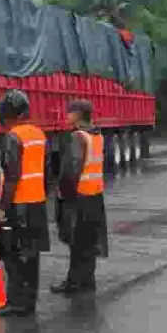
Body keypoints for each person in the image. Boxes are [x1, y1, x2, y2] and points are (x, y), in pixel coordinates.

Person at [0, 90, 51, 317]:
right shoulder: (39, 134)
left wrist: (2, 209)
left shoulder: (12, 137)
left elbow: (12, 177)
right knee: (32, 255)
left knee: (13, 255)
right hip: (36, 203)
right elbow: (46, 172)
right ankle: (29, 300)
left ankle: (16, 302)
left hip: (18, 205)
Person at [52, 99, 108, 295]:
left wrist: (62, 195)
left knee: (76, 243)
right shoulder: (98, 135)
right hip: (95, 196)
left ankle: (73, 283)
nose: (66, 115)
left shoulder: (78, 137)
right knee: (89, 241)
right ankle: (87, 280)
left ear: (78, 114)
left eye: (69, 112)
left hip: (79, 198)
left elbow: (71, 169)